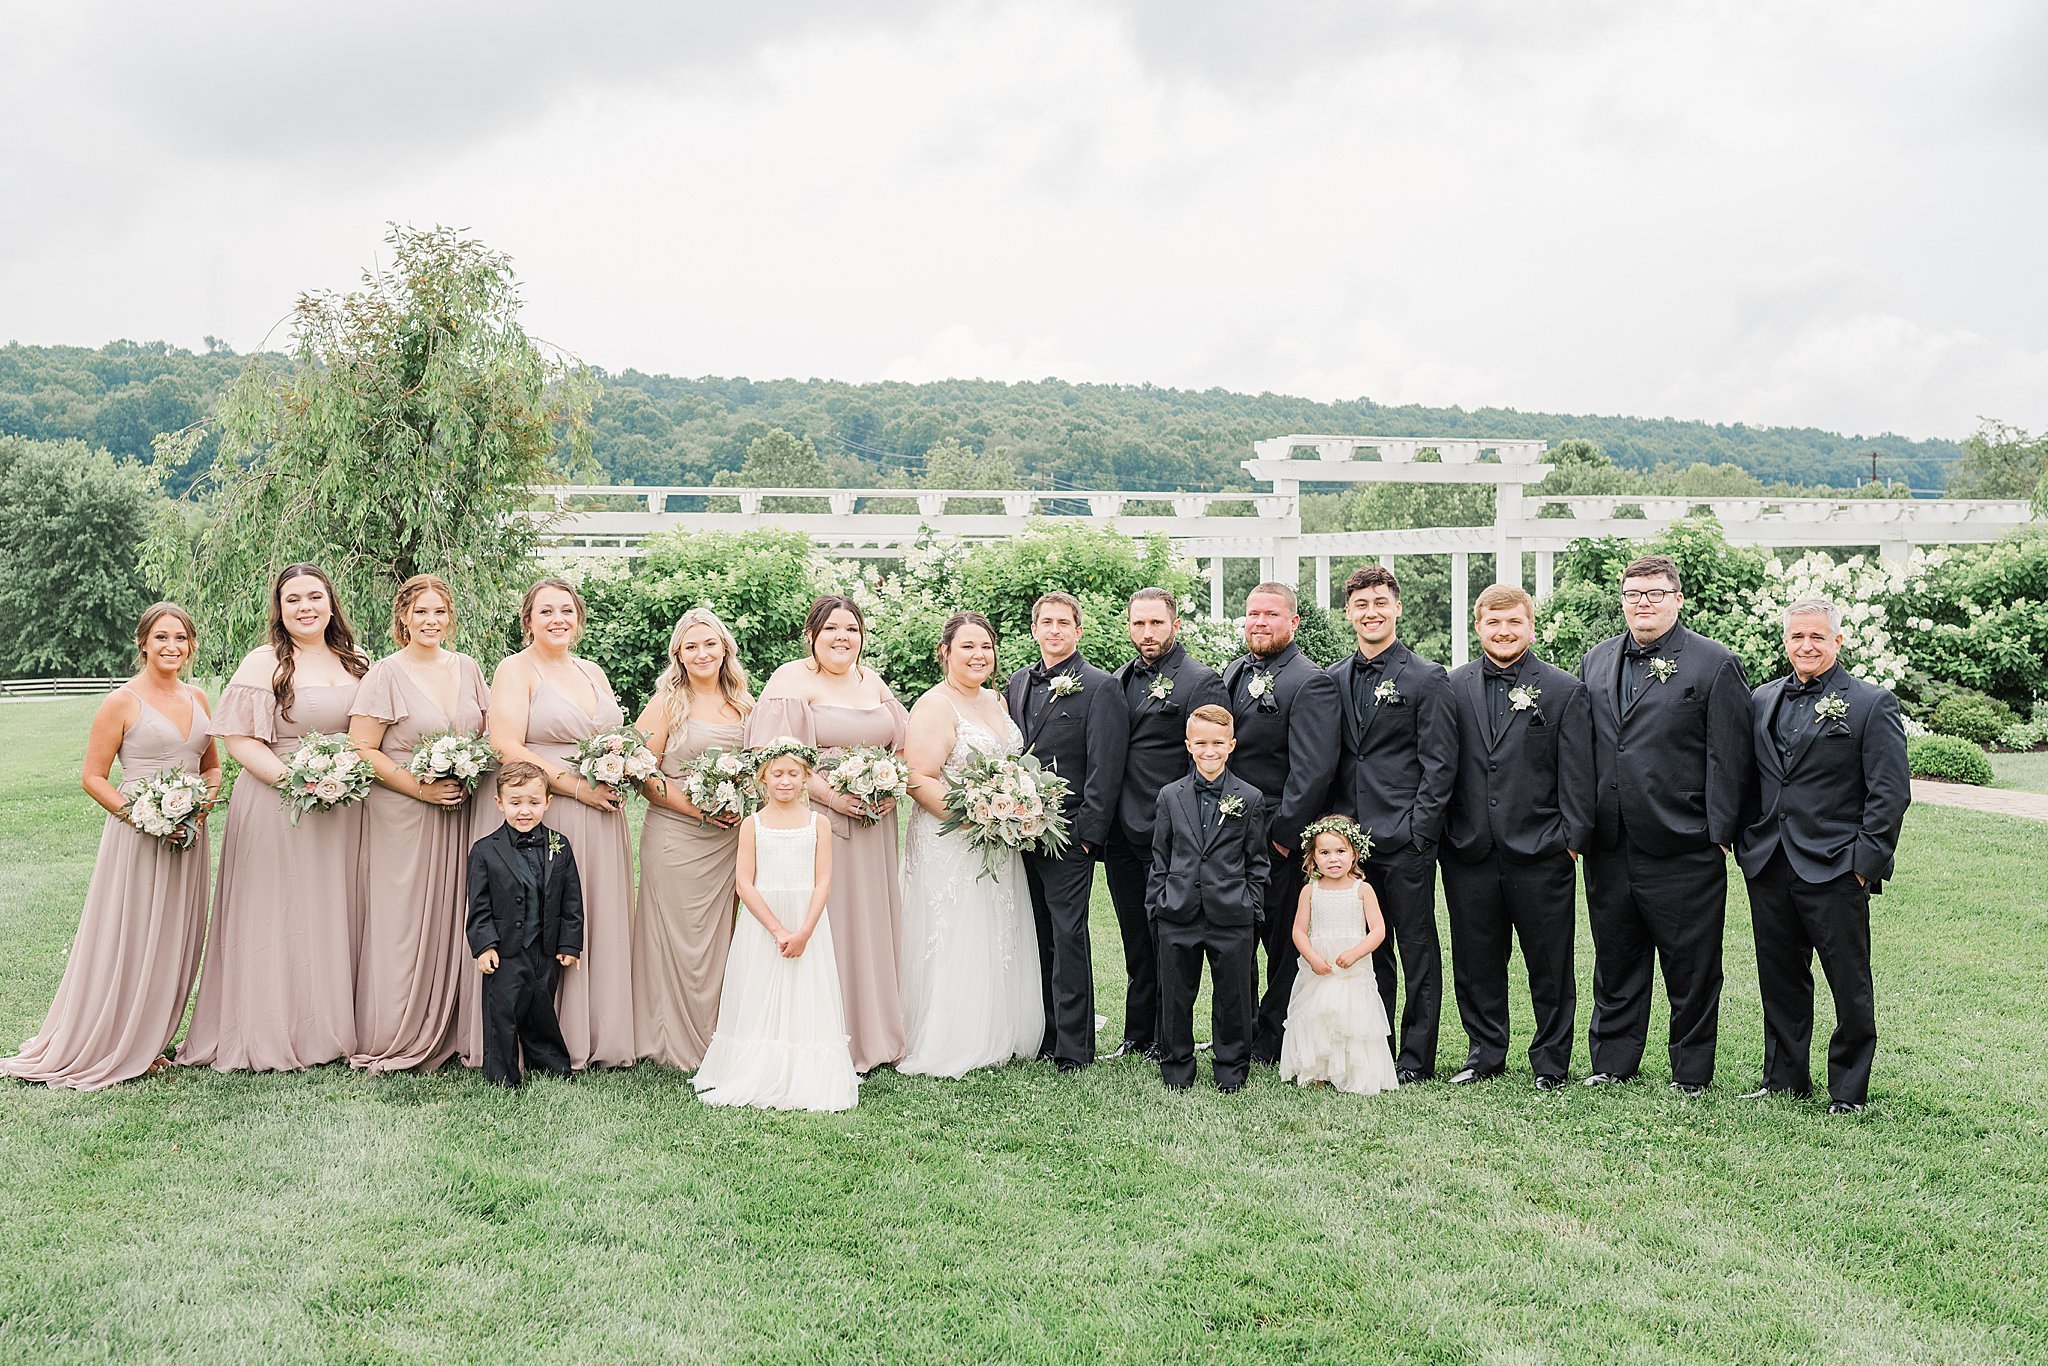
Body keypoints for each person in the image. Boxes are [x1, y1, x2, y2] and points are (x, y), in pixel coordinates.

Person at [1, 604, 219, 1090]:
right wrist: (142, 816)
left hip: (188, 836)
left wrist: (200, 807)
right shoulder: (121, 701)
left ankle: (151, 1038)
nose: (171, 647)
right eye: (161, 637)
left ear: (191, 646)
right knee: (131, 934)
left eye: (181, 638)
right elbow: (92, 777)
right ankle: (114, 1039)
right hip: (138, 837)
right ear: (142, 643)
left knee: (175, 936)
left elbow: (211, 766)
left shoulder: (200, 696)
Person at [182, 563, 370, 1072]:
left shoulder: (358, 662)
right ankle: (273, 1026)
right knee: (279, 911)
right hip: (278, 801)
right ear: (279, 609)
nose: (305, 607)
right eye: (293, 599)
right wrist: (296, 783)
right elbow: (240, 740)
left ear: (332, 604)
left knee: (335, 908)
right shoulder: (263, 662)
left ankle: (333, 1024)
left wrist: (339, 780)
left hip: (344, 805)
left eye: (314, 597)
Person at [1577, 554, 1752, 1094]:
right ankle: (1612, 1062)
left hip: (1684, 843)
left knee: (1692, 968)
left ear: (1677, 599)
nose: (1643, 603)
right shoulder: (1596, 660)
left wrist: (1718, 833)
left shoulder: (1713, 663)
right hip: (1610, 843)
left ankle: (1692, 1074)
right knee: (1616, 959)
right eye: (1633, 594)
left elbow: (1731, 754)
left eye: (1654, 593)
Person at [1736, 596, 1910, 1114]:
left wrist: (1864, 864)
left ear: (1837, 640)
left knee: (1849, 984)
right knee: (1780, 978)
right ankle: (1785, 1078)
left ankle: (1848, 1090)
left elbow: (1890, 793)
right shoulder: (1762, 700)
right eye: (1797, 636)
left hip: (1837, 866)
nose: (1806, 645)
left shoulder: (1871, 704)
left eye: (1817, 636)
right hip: (1770, 862)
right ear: (1785, 641)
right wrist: (1748, 840)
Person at [1440, 583, 1592, 1090]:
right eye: (1493, 623)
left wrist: (1570, 838)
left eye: (1514, 623)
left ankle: (1551, 1062)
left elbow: (1577, 772)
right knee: (1476, 958)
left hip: (1541, 848)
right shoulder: (1452, 685)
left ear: (1531, 626)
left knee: (1550, 962)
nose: (1503, 632)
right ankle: (1484, 1053)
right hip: (1469, 849)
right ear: (1477, 626)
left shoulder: (1564, 689)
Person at [750, 595, 911, 1073]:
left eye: (852, 629)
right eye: (832, 630)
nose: (843, 638)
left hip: (875, 819)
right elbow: (776, 755)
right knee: (830, 919)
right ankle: (827, 1035)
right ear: (812, 636)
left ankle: (873, 1033)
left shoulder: (872, 680)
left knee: (870, 919)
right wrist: (834, 797)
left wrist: (890, 784)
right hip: (820, 820)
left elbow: (902, 744)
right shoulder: (790, 680)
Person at [482, 577, 635, 1070]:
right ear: (528, 621)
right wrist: (574, 788)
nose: (558, 619)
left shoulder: (592, 671)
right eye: (545, 611)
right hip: (552, 806)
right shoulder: (515, 669)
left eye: (566, 610)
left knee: (590, 911)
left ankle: (595, 1030)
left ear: (579, 618)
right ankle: (542, 1035)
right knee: (542, 918)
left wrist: (622, 763)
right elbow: (505, 743)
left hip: (602, 812)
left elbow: (615, 735)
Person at [347, 574, 490, 1073]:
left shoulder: (469, 668)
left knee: (458, 911)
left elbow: (488, 734)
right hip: (403, 815)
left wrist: (469, 773)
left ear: (450, 618)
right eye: (420, 612)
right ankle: (396, 1028)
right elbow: (362, 748)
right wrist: (420, 787)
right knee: (403, 919)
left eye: (439, 612)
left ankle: (452, 1023)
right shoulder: (385, 673)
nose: (430, 621)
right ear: (403, 617)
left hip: (462, 811)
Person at [897, 611, 1045, 1078]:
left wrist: (1012, 809)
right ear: (945, 652)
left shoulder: (995, 700)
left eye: (986, 646)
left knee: (995, 927)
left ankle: (998, 1026)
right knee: (955, 928)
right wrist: (974, 816)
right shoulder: (935, 705)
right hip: (952, 839)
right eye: (968, 646)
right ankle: (950, 1034)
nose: (980, 655)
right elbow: (917, 776)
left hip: (998, 838)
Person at [1326, 565, 1456, 1083]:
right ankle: (1372, 1049)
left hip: (1405, 839)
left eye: (1380, 602)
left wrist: (1419, 830)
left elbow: (1440, 764)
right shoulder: (1332, 678)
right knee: (1364, 951)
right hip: (1349, 847)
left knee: (1416, 949)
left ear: (1397, 608)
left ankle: (1416, 1058)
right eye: (1361, 604)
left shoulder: (1427, 677)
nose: (1371, 612)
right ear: (1349, 612)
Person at [692, 740, 858, 1112]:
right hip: (764, 923)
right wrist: (779, 931)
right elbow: (743, 884)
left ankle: (802, 1074)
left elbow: (823, 881)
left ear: (806, 778)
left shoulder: (820, 824)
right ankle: (758, 1069)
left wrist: (803, 932)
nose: (785, 781)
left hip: (807, 920)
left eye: (793, 774)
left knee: (804, 995)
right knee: (760, 990)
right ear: (763, 777)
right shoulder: (753, 824)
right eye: (777, 774)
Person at [1003, 590, 1128, 1070]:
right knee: (1034, 933)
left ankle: (1074, 1046)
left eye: (1063, 623)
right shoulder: (1017, 682)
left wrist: (1087, 835)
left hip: (1069, 833)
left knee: (1068, 934)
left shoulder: (1100, 687)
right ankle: (1045, 1032)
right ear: (1034, 630)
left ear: (1078, 631)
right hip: (1018, 828)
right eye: (1046, 622)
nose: (1054, 630)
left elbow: (1105, 766)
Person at [1220, 582, 1341, 1066]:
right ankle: (1241, 1028)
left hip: (1276, 834)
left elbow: (1313, 769)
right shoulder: (1233, 670)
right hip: (1230, 830)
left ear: (1293, 622)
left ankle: (1274, 1036)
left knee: (1281, 940)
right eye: (1252, 613)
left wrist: (1284, 838)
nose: (1259, 621)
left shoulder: (1310, 680)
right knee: (1237, 934)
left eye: (1270, 614)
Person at [1104, 587, 1226, 1061]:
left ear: (1175, 624)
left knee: (1168, 937)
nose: (1147, 632)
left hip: (1171, 833)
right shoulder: (1118, 679)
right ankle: (1137, 1033)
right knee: (1134, 935)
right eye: (1139, 624)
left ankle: (1166, 1035)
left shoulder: (1201, 681)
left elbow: (1207, 762)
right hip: (1121, 832)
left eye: (1156, 623)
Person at [633, 608, 751, 1070]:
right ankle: (666, 1037)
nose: (702, 653)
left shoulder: (746, 705)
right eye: (691, 646)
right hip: (676, 835)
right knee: (677, 937)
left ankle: (718, 1032)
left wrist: (739, 799)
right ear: (678, 655)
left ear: (725, 649)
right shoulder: (666, 704)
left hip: (726, 841)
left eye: (710, 644)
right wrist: (697, 807)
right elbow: (642, 773)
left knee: (719, 936)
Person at [1147, 705, 1270, 1092]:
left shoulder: (1249, 798)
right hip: (1177, 912)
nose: (1209, 750)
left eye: (1218, 742)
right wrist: (1158, 903)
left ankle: (1231, 1069)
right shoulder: (1169, 796)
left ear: (1231, 745)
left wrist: (1250, 905)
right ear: (1188, 744)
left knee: (1233, 999)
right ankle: (1177, 1069)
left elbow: (1258, 861)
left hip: (1231, 913)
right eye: (1201, 742)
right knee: (1175, 998)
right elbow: (1160, 856)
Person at [465, 762, 582, 1088]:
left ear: (548, 802)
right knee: (502, 1013)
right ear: (500, 803)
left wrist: (569, 944)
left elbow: (572, 900)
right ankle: (501, 1076)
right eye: (515, 803)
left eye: (533, 802)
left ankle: (552, 1067)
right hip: (505, 952)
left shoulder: (560, 846)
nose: (524, 811)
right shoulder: (485, 850)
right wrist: (484, 945)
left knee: (541, 1010)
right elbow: (478, 906)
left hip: (544, 950)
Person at [1277, 816, 1398, 1096]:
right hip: (1320, 965)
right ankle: (1321, 1069)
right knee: (1320, 1015)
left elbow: (1378, 930)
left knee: (1351, 1016)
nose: (1333, 859)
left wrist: (1356, 953)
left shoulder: (1363, 889)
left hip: (1351, 967)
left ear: (1354, 854)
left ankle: (1353, 1069)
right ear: (1313, 857)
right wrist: (1311, 957)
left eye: (1341, 851)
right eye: (1325, 852)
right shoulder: (1310, 890)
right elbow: (1298, 931)